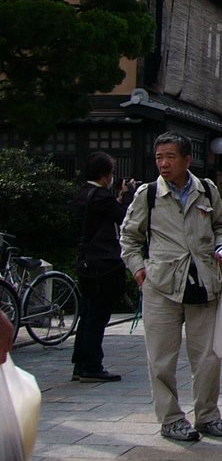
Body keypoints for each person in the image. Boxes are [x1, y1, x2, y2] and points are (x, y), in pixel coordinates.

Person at [120, 132, 222, 442]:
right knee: (161, 359)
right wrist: (138, 270)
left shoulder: (208, 191)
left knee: (208, 357)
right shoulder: (147, 195)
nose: (163, 163)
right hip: (161, 286)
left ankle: (207, 416)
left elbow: (220, 227)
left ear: (187, 160)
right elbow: (129, 237)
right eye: (159, 157)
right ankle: (171, 419)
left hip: (203, 283)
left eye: (170, 157)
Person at [70, 152, 130, 383]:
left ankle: (80, 362)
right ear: (105, 175)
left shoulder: (82, 194)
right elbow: (124, 218)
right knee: (97, 315)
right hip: (102, 263)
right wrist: (125, 197)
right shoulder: (102, 197)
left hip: (85, 260)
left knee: (87, 314)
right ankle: (91, 365)